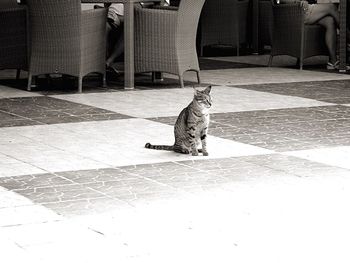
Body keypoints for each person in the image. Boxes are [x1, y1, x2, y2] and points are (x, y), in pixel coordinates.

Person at [281, 0, 345, 70]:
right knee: (332, 7)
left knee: (330, 21)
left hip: (303, 9)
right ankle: (347, 36)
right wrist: (297, 1)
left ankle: (333, 61)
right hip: (298, 11)